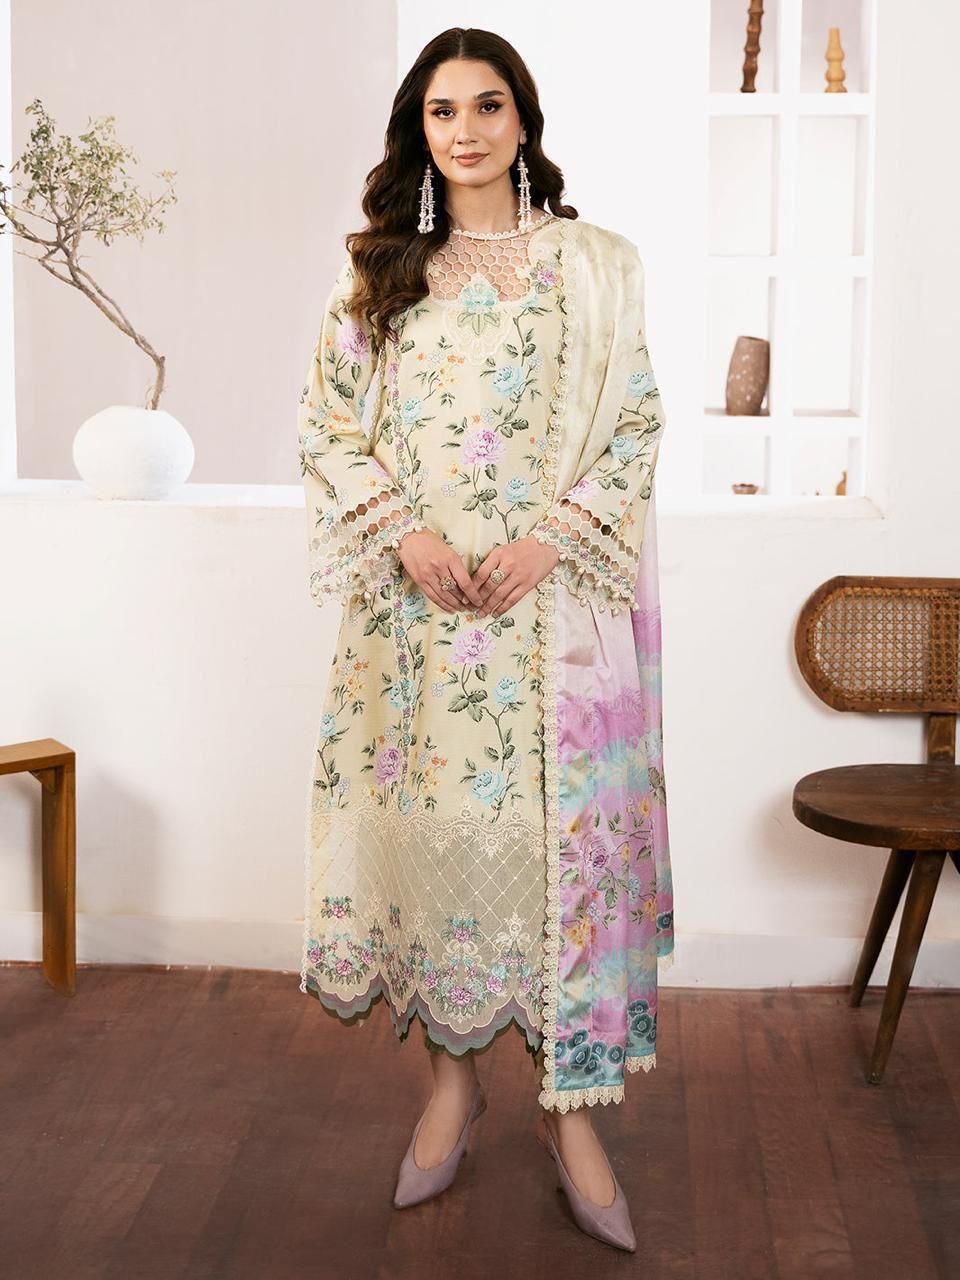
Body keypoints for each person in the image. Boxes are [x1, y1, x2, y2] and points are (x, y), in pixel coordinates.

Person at [296, 26, 674, 1253]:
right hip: (419, 628)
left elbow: (636, 424)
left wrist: (552, 540)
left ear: (524, 121)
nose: (465, 130)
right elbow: (327, 426)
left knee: (563, 863)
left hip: (554, 623)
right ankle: (452, 1089)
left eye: (488, 105)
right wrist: (402, 533)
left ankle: (571, 1114)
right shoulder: (378, 275)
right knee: (446, 859)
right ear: (419, 129)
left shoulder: (594, 267)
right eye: (442, 110)